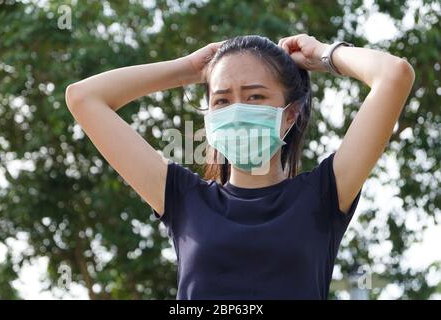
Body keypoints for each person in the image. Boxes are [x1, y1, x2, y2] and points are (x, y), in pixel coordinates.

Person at [65, 34, 415, 299]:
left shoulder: (323, 195)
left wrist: (323, 54)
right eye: (222, 100)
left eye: (255, 97)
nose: (237, 110)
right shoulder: (183, 199)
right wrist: (189, 69)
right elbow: (84, 97)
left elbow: (394, 73)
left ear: (290, 113)